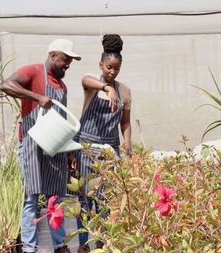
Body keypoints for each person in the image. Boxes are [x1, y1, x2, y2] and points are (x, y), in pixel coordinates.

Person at [1, 38, 81, 253]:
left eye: (70, 61)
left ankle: (60, 245)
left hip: (55, 146)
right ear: (53, 55)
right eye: (66, 59)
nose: (68, 65)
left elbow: (62, 121)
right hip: (32, 144)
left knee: (56, 197)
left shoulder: (62, 87)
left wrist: (70, 152)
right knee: (32, 198)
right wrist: (36, 97)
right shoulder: (34, 72)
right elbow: (6, 84)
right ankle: (29, 248)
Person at [74, 34, 132, 253]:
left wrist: (127, 144)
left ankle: (103, 241)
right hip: (87, 147)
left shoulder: (125, 91)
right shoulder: (92, 83)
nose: (112, 72)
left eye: (116, 68)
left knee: (105, 198)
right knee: (85, 196)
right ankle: (83, 243)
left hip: (110, 149)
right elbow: (85, 81)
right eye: (109, 67)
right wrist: (105, 87)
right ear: (101, 65)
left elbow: (125, 123)